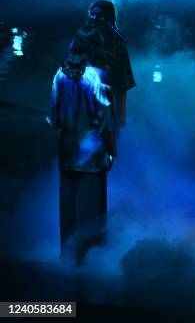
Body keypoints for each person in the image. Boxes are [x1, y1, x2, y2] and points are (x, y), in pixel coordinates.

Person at [47, 27, 116, 265]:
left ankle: (66, 258)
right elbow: (107, 121)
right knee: (90, 211)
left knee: (68, 209)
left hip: (66, 151)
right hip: (92, 153)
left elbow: (53, 118)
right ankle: (87, 264)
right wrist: (111, 151)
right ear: (96, 47)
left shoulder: (59, 74)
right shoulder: (99, 75)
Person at [87, 0, 136, 127]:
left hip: (107, 108)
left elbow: (123, 83)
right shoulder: (83, 39)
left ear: (108, 19)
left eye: (99, 16)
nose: (93, 18)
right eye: (92, 14)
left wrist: (121, 115)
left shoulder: (117, 44)